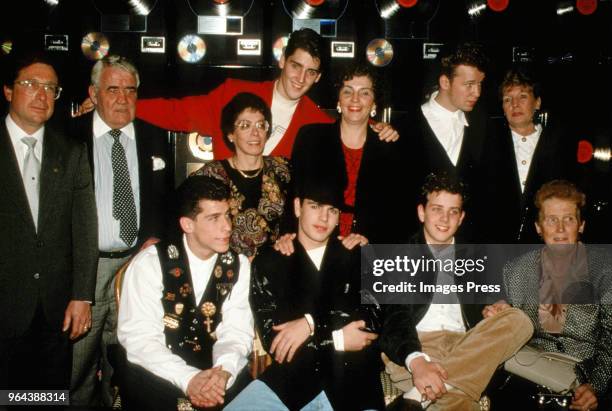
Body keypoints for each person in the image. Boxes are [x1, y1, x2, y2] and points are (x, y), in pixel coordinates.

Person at [225, 174, 384, 410]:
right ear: (298, 207)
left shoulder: (358, 254)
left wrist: (309, 325)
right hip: (290, 384)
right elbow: (276, 341)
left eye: (332, 210)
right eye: (315, 206)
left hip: (352, 384)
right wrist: (337, 338)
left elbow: (371, 321)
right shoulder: (270, 261)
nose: (324, 217)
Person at [69, 54, 172, 406]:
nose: (122, 98)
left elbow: (166, 202)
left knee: (130, 361)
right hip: (85, 269)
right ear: (93, 94)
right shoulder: (69, 137)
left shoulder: (156, 139)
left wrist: (156, 238)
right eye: (112, 89)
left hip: (135, 266)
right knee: (76, 365)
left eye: (130, 90)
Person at [381, 173, 533, 411]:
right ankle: (429, 389)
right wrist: (418, 362)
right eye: (437, 209)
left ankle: (417, 395)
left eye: (453, 211)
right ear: (422, 212)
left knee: (520, 320)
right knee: (459, 404)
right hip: (420, 346)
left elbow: (485, 306)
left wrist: (492, 308)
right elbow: (395, 317)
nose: (445, 218)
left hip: (466, 347)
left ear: (461, 218)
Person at [128, 28, 398, 159]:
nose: (300, 78)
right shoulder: (234, 93)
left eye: (311, 72)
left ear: (318, 78)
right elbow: (178, 112)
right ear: (282, 60)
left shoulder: (317, 123)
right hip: (223, 228)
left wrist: (379, 128)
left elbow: (350, 130)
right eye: (295, 66)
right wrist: (126, 107)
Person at [0, 52, 98, 390]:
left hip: (56, 310)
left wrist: (83, 296)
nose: (42, 95)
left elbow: (85, 230)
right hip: (4, 307)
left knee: (49, 398)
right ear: (8, 91)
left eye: (51, 89)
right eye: (31, 84)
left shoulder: (71, 152)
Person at [116, 175, 253, 410]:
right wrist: (188, 379)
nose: (227, 227)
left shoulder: (237, 264)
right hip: (159, 371)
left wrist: (223, 373)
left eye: (228, 215)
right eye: (214, 218)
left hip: (215, 371)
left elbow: (236, 331)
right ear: (187, 224)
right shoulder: (151, 263)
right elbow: (140, 339)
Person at [484, 180, 612, 411]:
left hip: (585, 379)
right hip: (527, 377)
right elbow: (508, 332)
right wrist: (498, 316)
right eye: (551, 220)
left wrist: (596, 386)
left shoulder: (604, 270)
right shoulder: (515, 270)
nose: (560, 229)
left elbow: (611, 340)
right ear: (538, 227)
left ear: (581, 225)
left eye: (569, 219)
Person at [290, 62, 405, 245]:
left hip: (369, 250)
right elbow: (294, 193)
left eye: (365, 92)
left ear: (374, 102)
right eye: (348, 91)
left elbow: (399, 212)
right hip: (316, 244)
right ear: (338, 100)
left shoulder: (390, 146)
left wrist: (370, 242)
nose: (355, 99)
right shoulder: (311, 138)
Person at [401, 42, 489, 236]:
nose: (477, 93)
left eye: (480, 84)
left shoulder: (483, 126)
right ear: (445, 82)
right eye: (469, 85)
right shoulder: (406, 127)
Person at [481, 67, 578, 243]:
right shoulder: (488, 144)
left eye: (523, 97)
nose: (515, 105)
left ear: (538, 103)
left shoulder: (559, 144)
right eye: (507, 99)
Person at [192, 92, 291, 258]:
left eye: (260, 125)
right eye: (245, 126)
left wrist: (289, 236)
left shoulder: (283, 169)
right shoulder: (210, 175)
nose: (255, 133)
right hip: (225, 271)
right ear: (231, 134)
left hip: (274, 269)